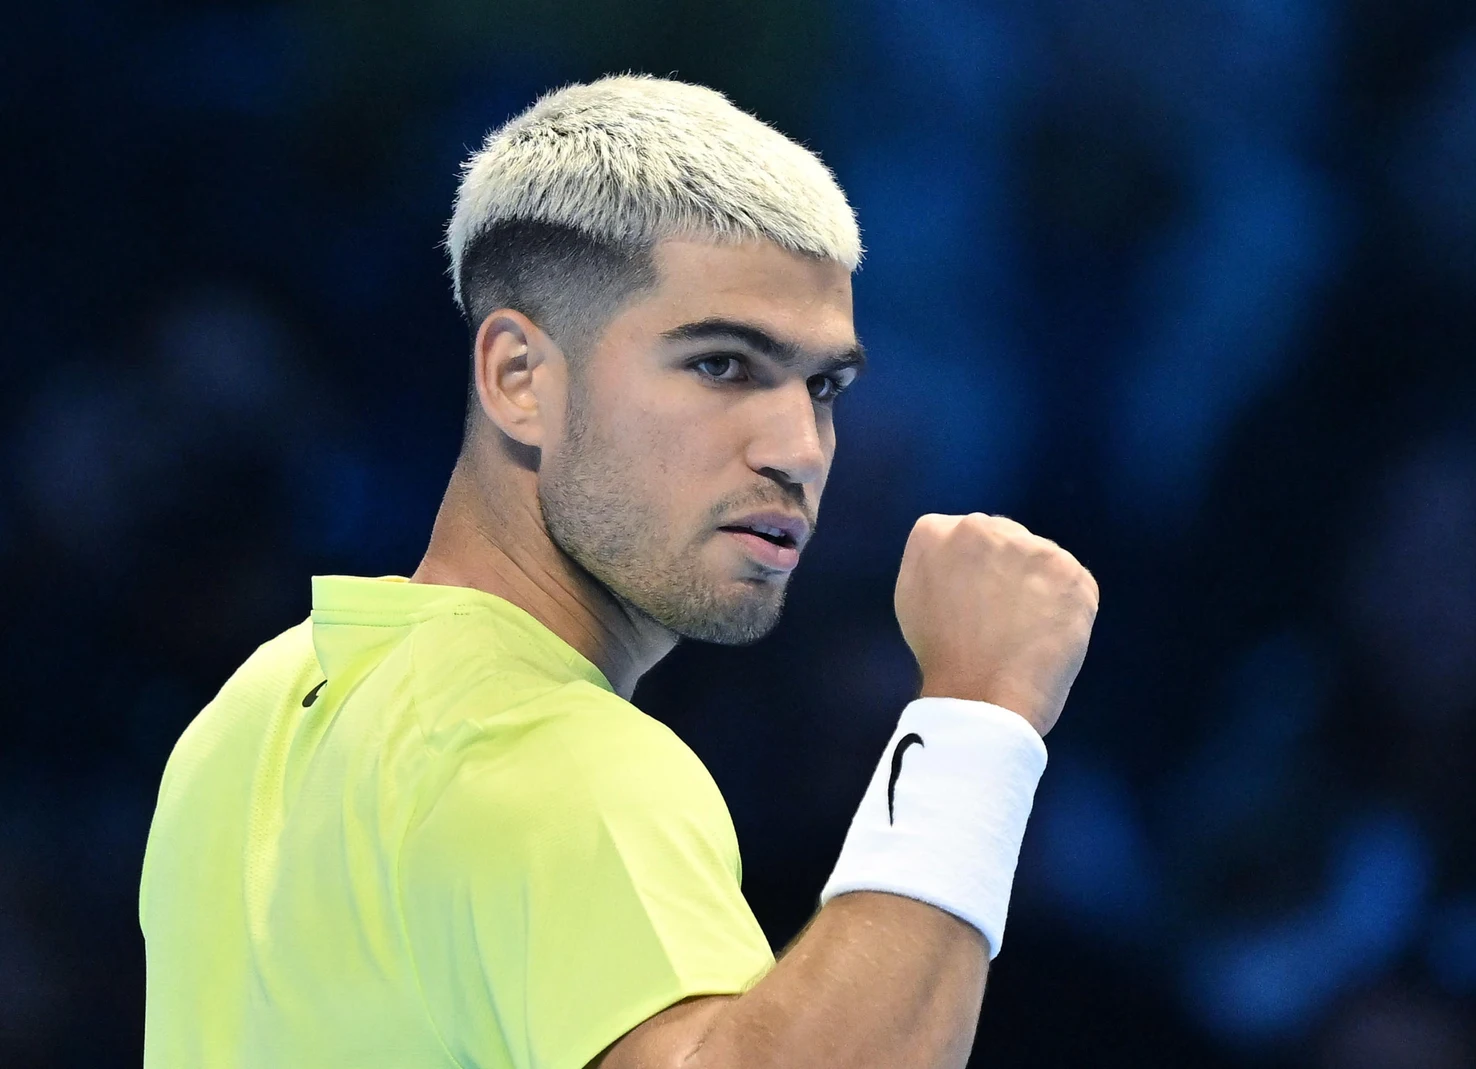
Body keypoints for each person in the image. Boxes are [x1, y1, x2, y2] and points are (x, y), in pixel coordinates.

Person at [138, 74, 1098, 1069]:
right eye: (721, 365)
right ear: (519, 378)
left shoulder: (256, 712)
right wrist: (976, 715)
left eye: (821, 386)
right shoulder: (555, 755)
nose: (797, 448)